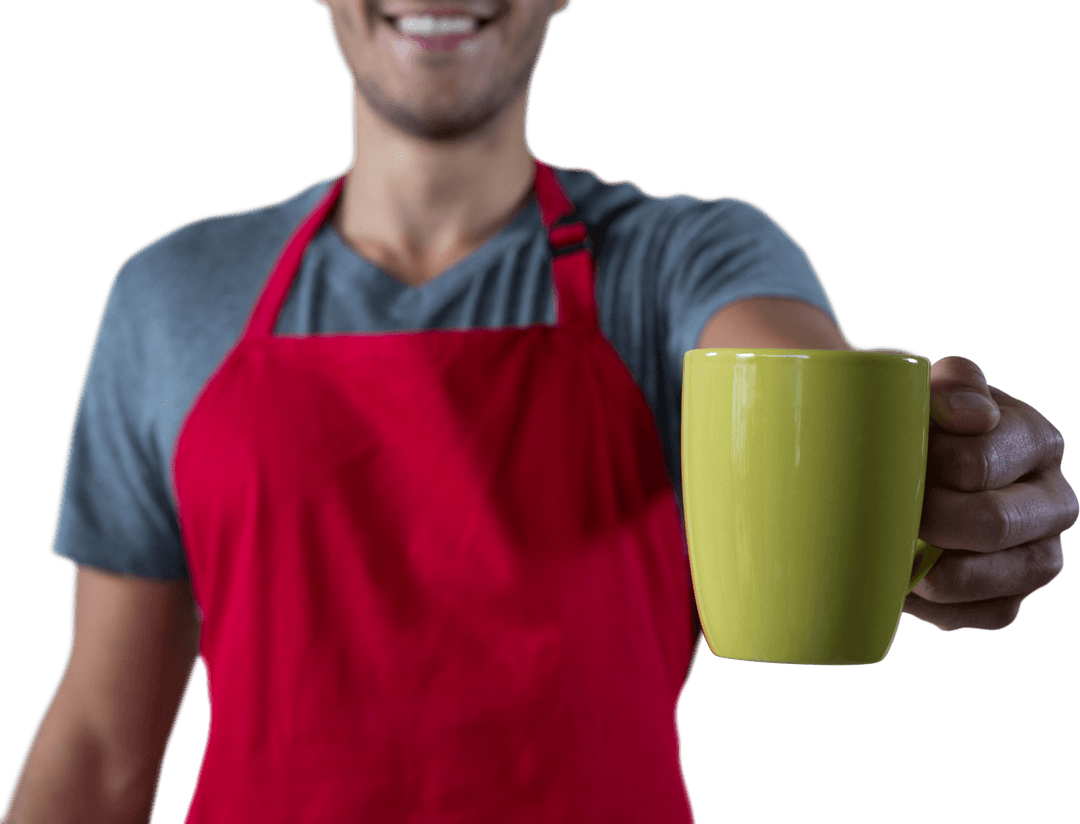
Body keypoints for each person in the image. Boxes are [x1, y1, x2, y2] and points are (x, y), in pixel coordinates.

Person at [4, 2, 1075, 822]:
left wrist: (923, 483)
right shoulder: (171, 297)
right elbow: (102, 744)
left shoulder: (683, 264)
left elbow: (790, 381)